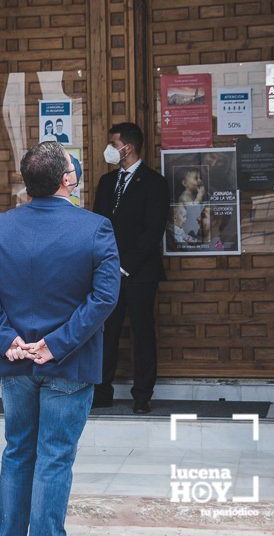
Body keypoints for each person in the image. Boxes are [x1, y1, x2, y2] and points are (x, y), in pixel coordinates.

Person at [0, 141, 120, 536]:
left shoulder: (0, 226)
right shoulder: (95, 227)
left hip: (17, 359)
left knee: (18, 453)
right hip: (68, 362)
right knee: (53, 458)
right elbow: (105, 296)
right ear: (66, 180)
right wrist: (57, 343)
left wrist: (7, 339)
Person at [92, 122, 169, 414]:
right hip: (107, 271)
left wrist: (126, 266)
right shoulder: (106, 182)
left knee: (142, 331)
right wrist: (104, 264)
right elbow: (98, 225)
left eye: (113, 144)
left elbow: (153, 231)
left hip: (140, 273)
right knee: (106, 331)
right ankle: (102, 390)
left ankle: (142, 394)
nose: (109, 149)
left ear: (128, 147)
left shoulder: (154, 183)